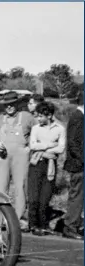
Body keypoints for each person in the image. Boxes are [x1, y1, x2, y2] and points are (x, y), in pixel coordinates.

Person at [0, 91, 36, 227]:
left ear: (17, 104)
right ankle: (0, 219)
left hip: (21, 157)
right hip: (2, 158)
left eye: (12, 104)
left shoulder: (27, 117)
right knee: (1, 188)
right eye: (6, 105)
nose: (9, 107)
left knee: (20, 187)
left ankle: (19, 218)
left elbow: (39, 130)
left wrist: (31, 147)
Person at [28, 102, 65, 236]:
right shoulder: (36, 128)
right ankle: (33, 224)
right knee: (33, 196)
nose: (38, 119)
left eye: (41, 116)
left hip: (50, 165)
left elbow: (61, 148)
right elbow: (32, 145)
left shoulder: (60, 129)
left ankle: (43, 224)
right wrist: (51, 145)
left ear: (49, 116)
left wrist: (42, 146)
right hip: (36, 162)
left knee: (45, 197)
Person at [62, 91, 84, 240]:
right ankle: (70, 226)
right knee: (77, 196)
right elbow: (73, 142)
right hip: (78, 165)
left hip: (79, 163)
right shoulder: (78, 117)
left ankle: (74, 225)